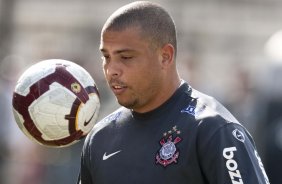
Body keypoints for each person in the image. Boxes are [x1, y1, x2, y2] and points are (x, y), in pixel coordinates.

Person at [77, 1, 270, 183]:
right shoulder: (99, 138)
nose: (111, 70)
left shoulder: (213, 130)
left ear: (165, 56)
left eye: (126, 57)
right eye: (106, 57)